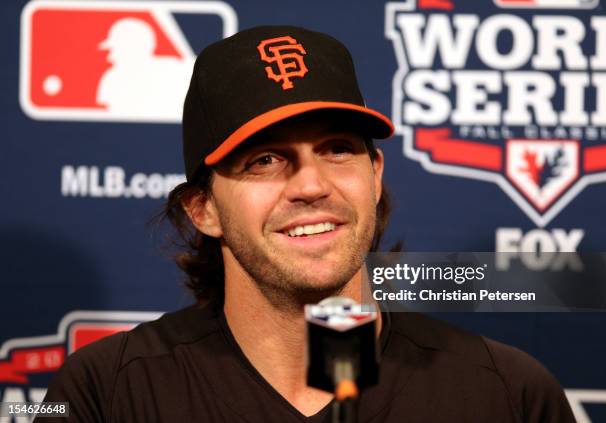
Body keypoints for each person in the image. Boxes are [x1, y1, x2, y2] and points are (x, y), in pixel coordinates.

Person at [38, 26, 576, 423]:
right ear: (204, 209)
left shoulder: (508, 393)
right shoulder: (103, 393)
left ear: (375, 174)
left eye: (338, 149)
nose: (312, 185)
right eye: (265, 160)